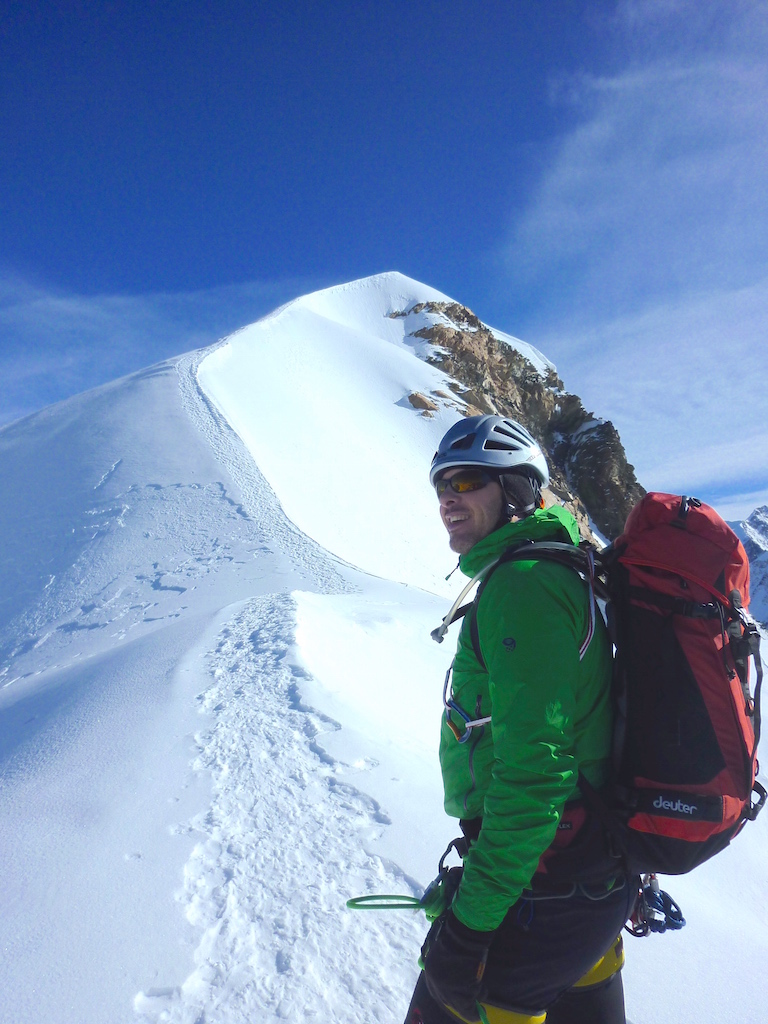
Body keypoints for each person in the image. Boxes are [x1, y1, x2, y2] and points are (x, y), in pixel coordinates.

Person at [404, 415, 636, 1024]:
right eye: (442, 486)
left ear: (516, 490)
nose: (449, 499)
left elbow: (535, 776)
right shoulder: (560, 566)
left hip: (542, 890)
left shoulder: (525, 586)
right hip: (591, 881)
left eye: (468, 481)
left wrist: (468, 927)